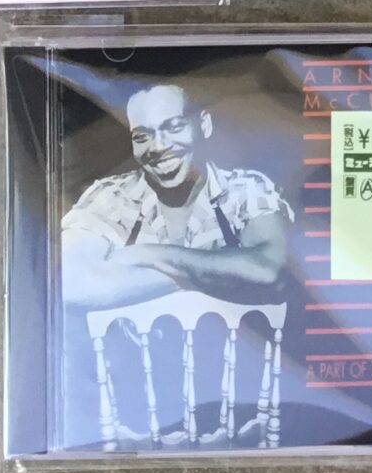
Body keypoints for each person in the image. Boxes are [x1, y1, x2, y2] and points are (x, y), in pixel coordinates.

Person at [58, 82, 291, 311]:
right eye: (142, 137)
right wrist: (217, 275)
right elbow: (71, 284)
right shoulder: (111, 196)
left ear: (204, 125)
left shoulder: (245, 189)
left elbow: (268, 270)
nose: (158, 147)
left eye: (174, 127)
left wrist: (149, 254)